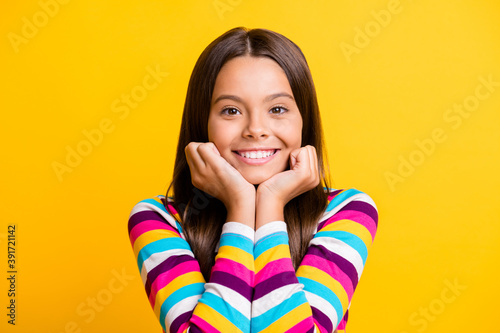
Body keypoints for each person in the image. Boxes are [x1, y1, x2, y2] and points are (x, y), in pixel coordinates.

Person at [128, 27, 378, 333]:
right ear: (202, 122)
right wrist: (241, 205)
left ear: (304, 120)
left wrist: (270, 203)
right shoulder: (159, 219)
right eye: (231, 110)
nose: (255, 129)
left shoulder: (347, 212)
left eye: (277, 109)